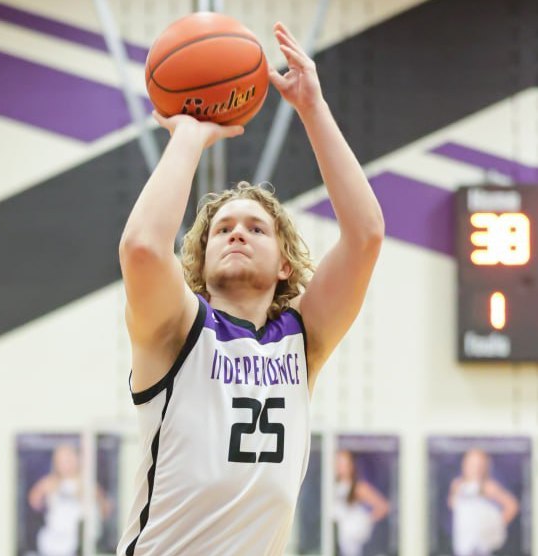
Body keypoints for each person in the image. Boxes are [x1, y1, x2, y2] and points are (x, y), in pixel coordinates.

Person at [116, 21, 384, 556]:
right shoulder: (178, 329)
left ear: (285, 264)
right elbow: (143, 247)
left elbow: (365, 236)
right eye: (222, 229)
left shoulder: (303, 340)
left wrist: (313, 108)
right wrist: (189, 135)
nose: (237, 232)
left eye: (256, 228)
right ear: (200, 258)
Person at [28, 443, 113, 556]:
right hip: (54, 540)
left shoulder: (87, 484)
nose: (65, 464)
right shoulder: (50, 483)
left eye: (68, 459)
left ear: (77, 460)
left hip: (79, 542)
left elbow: (106, 509)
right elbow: (34, 502)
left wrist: (89, 495)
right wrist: (45, 489)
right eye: (61, 460)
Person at [448, 448, 520, 556]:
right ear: (464, 465)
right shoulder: (457, 485)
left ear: (485, 467)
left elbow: (512, 506)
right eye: (472, 464)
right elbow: (453, 505)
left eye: (480, 465)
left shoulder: (488, 487)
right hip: (462, 545)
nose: (476, 469)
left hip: (480, 547)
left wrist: (495, 525)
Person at [333, 450, 391, 556]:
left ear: (351, 466)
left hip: (353, 542)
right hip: (336, 540)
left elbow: (383, 506)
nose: (339, 467)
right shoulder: (331, 486)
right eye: (337, 462)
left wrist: (365, 521)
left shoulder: (358, 487)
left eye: (343, 463)